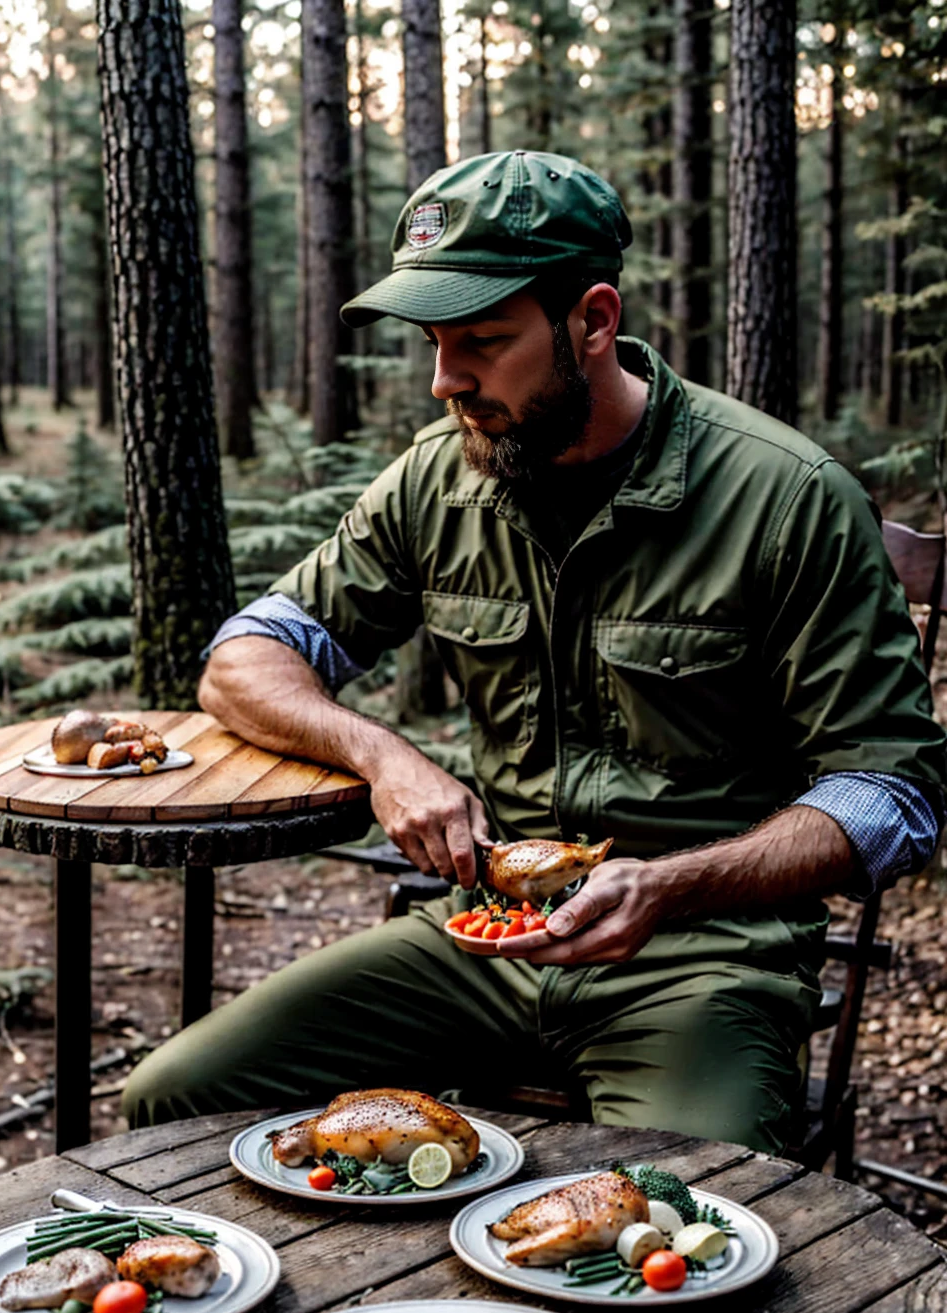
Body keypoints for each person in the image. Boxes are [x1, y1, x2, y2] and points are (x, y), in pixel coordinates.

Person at [122, 150, 946, 1152]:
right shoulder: (439, 480)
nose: (443, 380)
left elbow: (890, 791)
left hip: (701, 958)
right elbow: (245, 655)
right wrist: (386, 758)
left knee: (686, 1214)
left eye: (480, 341)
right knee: (174, 1100)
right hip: (481, 940)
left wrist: (668, 884)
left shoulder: (785, 495)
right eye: (432, 342)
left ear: (592, 322)